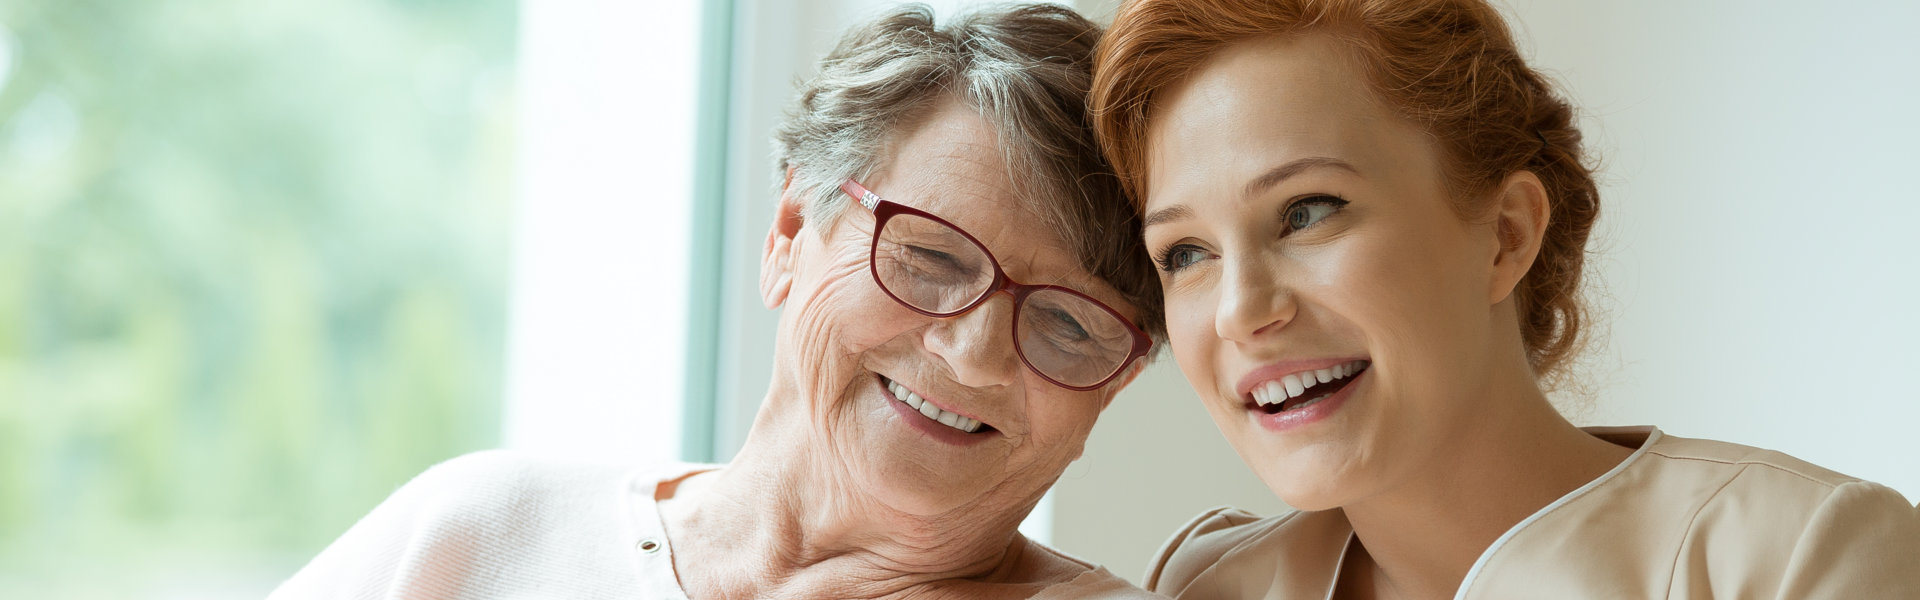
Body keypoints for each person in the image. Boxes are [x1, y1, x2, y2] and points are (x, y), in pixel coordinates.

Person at [270, 4, 1167, 599]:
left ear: (1117, 382)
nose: (973, 353)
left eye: (1067, 323)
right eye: (930, 256)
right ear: (787, 232)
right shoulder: (482, 531)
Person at [1087, 0, 1920, 598]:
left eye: (1307, 212)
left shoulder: (1797, 560)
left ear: (1507, 235)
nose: (1239, 310)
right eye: (1184, 253)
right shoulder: (1207, 587)